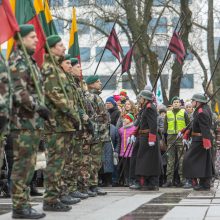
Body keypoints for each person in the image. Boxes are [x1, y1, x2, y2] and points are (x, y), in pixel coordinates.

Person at [9, 24, 47, 219]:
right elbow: (19, 92)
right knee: (22, 165)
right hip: (22, 123)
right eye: (32, 37)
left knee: (29, 165)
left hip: (32, 123)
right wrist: (37, 106)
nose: (36, 40)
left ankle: (24, 203)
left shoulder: (28, 62)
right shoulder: (18, 62)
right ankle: (19, 206)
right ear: (21, 39)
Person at [42, 35, 80, 211]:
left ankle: (56, 196)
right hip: (56, 124)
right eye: (60, 45)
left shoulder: (57, 69)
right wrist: (73, 114)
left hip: (64, 124)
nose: (64, 48)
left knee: (61, 163)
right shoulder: (50, 69)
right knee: (55, 163)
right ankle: (50, 199)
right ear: (51, 48)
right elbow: (55, 95)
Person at [59, 55, 89, 200]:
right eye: (69, 63)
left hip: (75, 125)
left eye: (73, 64)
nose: (73, 67)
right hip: (66, 125)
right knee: (67, 160)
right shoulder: (63, 80)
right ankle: (65, 191)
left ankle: (71, 188)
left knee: (75, 160)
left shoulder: (74, 83)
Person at [183, 93, 214, 190]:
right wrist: (186, 131)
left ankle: (196, 181)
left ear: (197, 102)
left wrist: (206, 141)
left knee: (188, 159)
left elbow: (204, 127)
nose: (191, 102)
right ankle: (204, 184)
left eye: (193, 101)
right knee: (203, 162)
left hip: (200, 141)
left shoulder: (201, 112)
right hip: (201, 139)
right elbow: (195, 124)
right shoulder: (202, 109)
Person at [86, 75, 110, 195]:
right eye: (98, 82)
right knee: (94, 160)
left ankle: (93, 184)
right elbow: (94, 116)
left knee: (96, 160)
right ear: (91, 84)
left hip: (99, 132)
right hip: (96, 132)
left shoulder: (95, 96)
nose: (100, 83)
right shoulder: (91, 96)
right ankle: (91, 185)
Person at [135, 90, 161, 190]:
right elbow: (142, 123)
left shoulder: (150, 107)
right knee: (145, 160)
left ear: (145, 99)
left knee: (149, 161)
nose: (140, 99)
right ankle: (147, 182)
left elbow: (153, 125)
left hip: (148, 138)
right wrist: (135, 133)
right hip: (144, 137)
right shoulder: (146, 107)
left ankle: (151, 183)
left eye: (141, 97)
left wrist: (151, 138)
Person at [163, 96, 190, 187]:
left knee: (182, 160)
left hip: (181, 139)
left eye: (177, 102)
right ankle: (169, 180)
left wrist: (185, 135)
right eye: (174, 102)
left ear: (180, 104)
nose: (176, 103)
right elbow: (165, 128)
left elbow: (188, 126)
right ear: (172, 104)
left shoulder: (184, 113)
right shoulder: (168, 113)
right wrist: (165, 139)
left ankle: (183, 180)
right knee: (170, 160)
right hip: (171, 139)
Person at [118, 113, 136, 186]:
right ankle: (126, 180)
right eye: (125, 118)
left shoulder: (134, 128)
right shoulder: (121, 129)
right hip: (123, 152)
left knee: (132, 167)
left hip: (132, 152)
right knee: (125, 167)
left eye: (127, 118)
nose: (125, 119)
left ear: (131, 120)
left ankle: (131, 180)